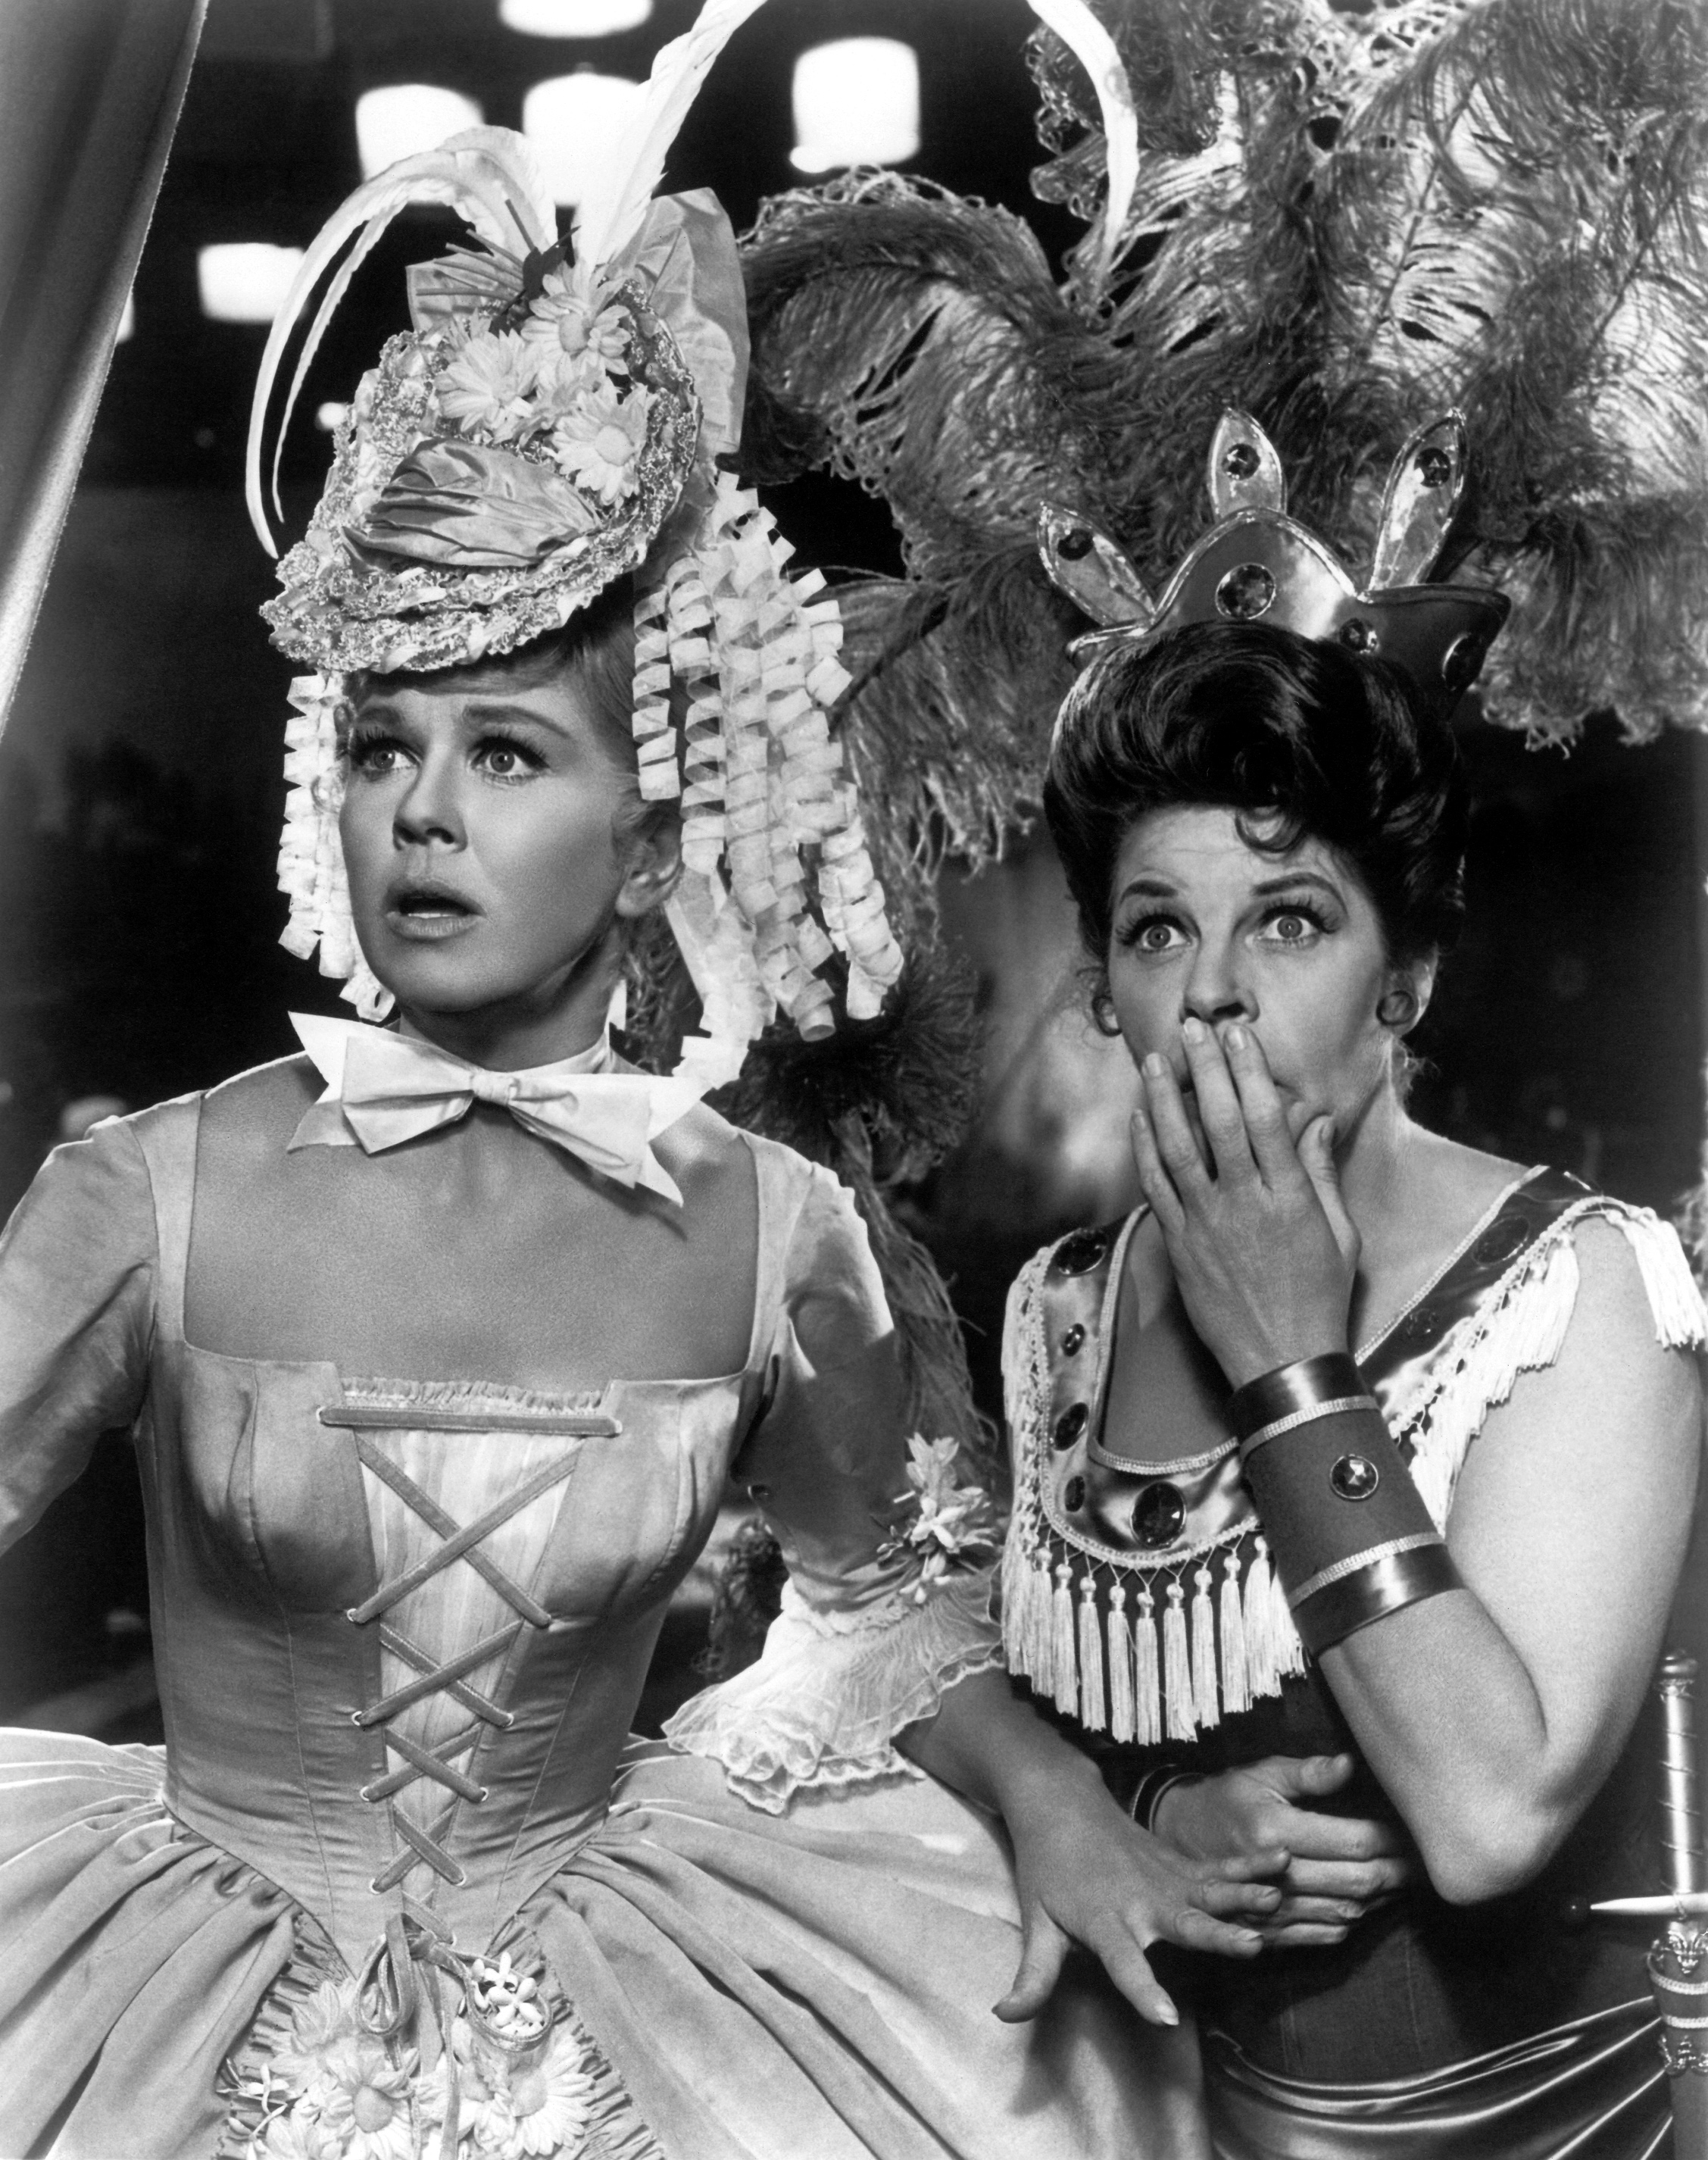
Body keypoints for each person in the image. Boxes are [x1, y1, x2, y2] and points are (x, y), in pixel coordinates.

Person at [0, 14, 1296, 2153]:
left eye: (506, 752)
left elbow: (882, 1610)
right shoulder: (151, 1192)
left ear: (649, 827)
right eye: (384, 747)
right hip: (171, 2003)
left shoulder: (774, 1235)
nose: (423, 814)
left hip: (615, 1992)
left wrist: (1064, 1806)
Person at [991, 410, 1708, 2157]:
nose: (1214, 992)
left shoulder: (1582, 1291)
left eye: (1292, 920)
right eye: (1159, 927)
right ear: (1105, 987)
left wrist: (1291, 1363)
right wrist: (1146, 1815)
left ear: (1409, 977)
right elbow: (945, 1689)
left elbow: (1487, 1815)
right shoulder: (1058, 1308)